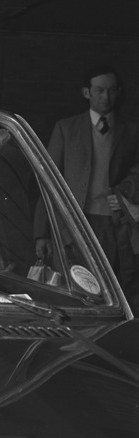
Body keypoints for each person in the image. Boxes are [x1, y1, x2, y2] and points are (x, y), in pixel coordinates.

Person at [34, 65, 139, 294]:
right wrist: (41, 232)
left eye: (112, 90)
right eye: (100, 90)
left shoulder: (131, 131)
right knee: (73, 288)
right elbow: (48, 180)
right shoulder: (66, 128)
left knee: (111, 289)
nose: (106, 96)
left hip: (113, 224)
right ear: (86, 93)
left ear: (118, 92)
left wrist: (125, 194)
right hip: (73, 223)